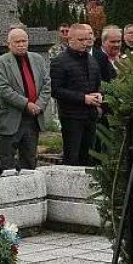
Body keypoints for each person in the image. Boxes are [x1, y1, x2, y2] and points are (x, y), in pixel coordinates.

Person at [0, 27, 51, 173]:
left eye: (24, 41)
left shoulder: (37, 59)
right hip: (11, 117)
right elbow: (3, 89)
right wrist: (26, 104)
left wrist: (39, 104)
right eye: (17, 42)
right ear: (9, 44)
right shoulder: (1, 62)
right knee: (7, 161)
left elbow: (46, 84)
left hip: (33, 118)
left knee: (29, 159)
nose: (21, 45)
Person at [50, 23, 103, 166]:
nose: (85, 43)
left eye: (87, 39)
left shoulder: (92, 60)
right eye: (80, 40)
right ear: (70, 39)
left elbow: (98, 84)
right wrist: (83, 98)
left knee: (88, 158)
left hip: (90, 117)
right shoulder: (59, 62)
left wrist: (99, 95)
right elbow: (55, 90)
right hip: (71, 117)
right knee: (72, 158)